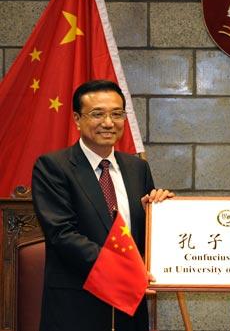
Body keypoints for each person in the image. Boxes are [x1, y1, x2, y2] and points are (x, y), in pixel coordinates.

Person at [32, 79, 173, 331]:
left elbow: (139, 234)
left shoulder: (137, 168)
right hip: (77, 304)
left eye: (117, 114)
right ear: (77, 119)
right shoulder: (53, 167)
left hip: (129, 309)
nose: (109, 123)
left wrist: (158, 212)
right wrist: (124, 269)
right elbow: (62, 234)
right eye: (98, 114)